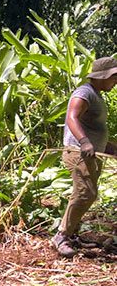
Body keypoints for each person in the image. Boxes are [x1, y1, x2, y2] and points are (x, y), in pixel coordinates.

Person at [52, 56, 117, 258]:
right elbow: (72, 117)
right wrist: (84, 141)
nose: (115, 82)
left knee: (87, 193)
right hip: (77, 152)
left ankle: (71, 234)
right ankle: (61, 236)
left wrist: (107, 146)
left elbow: (93, 126)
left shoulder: (96, 95)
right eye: (114, 78)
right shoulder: (84, 93)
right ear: (104, 76)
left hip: (90, 154)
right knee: (85, 193)